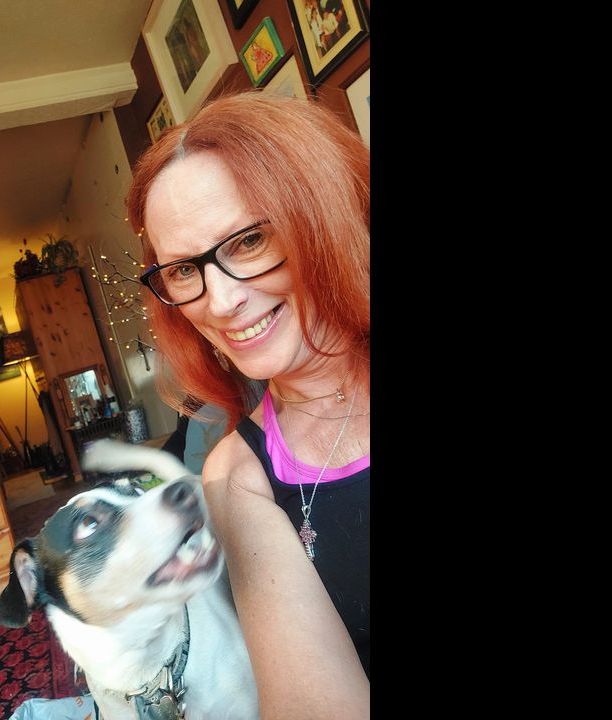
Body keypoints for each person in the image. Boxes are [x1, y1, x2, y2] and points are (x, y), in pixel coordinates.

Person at [125, 91, 370, 718]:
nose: (220, 301)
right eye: (184, 271)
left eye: (250, 240)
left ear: (323, 216)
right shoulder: (236, 478)